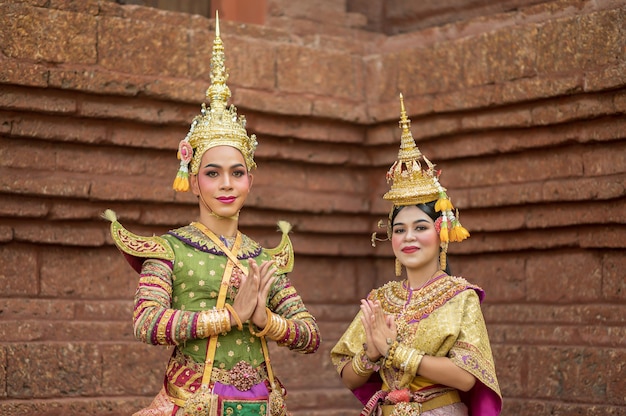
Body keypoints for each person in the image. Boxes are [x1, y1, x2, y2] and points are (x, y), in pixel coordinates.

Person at [103, 13, 320, 416]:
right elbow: (146, 323)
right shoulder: (169, 249)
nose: (226, 184)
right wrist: (229, 316)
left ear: (249, 182)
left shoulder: (264, 259)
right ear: (193, 179)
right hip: (193, 404)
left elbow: (309, 334)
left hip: (262, 404)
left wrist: (264, 319)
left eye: (237, 173)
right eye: (213, 173)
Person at [330, 94, 502, 416]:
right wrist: (370, 353)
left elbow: (467, 378)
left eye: (420, 227)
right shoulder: (381, 299)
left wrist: (394, 352)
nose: (408, 237)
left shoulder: (459, 297)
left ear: (442, 232)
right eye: (399, 229)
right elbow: (348, 376)